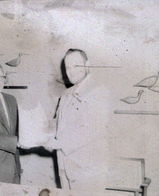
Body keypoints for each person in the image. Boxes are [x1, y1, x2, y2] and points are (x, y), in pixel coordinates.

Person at [44, 49, 111, 193]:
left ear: (87, 65)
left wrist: (58, 143)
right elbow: (58, 123)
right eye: (68, 67)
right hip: (64, 167)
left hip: (87, 171)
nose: (71, 71)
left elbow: (92, 130)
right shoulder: (66, 93)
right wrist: (40, 134)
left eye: (76, 66)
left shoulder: (98, 91)